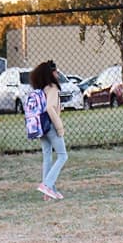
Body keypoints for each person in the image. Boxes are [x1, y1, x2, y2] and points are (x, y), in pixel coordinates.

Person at [31, 61, 68, 200]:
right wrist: (59, 127)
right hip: (51, 125)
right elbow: (50, 108)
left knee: (47, 156)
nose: (57, 74)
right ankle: (47, 185)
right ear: (50, 74)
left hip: (42, 126)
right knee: (63, 156)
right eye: (55, 71)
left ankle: (49, 191)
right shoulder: (53, 88)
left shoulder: (42, 88)